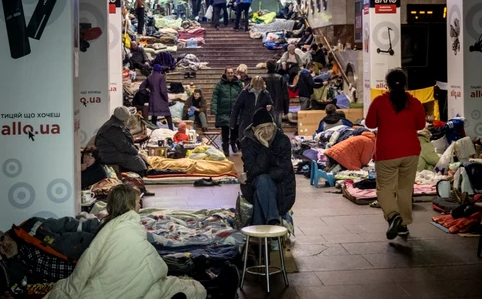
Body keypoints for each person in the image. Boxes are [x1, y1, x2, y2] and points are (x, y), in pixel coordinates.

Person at [45, 185, 206, 299]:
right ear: (129, 205)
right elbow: (151, 265)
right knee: (191, 290)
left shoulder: (111, 225)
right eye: (137, 202)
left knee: (175, 286)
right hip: (112, 287)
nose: (139, 205)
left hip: (110, 281)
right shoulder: (125, 228)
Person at [365, 69, 426, 239]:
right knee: (405, 189)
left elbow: (370, 123)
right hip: (411, 151)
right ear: (405, 84)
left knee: (384, 188)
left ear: (387, 84)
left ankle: (393, 216)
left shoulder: (379, 101)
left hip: (387, 152)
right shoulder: (415, 103)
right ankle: (404, 225)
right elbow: (420, 126)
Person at [240, 108, 296, 226]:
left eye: (269, 126)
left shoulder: (283, 140)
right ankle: (273, 226)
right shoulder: (247, 143)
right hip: (255, 186)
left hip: (283, 189)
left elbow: (282, 172)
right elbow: (251, 168)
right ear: (254, 130)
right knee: (263, 182)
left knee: (263, 184)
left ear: (274, 125)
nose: (266, 131)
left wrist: (253, 174)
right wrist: (265, 148)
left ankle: (260, 233)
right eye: (261, 128)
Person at [95, 107, 153, 197]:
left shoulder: (114, 125)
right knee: (136, 161)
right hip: (109, 155)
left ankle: (138, 189)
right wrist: (135, 151)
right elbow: (124, 145)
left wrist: (135, 150)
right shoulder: (113, 128)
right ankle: (138, 190)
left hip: (112, 152)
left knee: (139, 159)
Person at [231, 75, 274, 143]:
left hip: (260, 123)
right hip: (246, 121)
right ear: (252, 84)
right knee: (245, 142)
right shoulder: (244, 93)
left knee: (259, 143)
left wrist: (270, 108)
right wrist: (233, 123)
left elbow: (271, 105)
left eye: (259, 86)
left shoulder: (265, 93)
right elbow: (236, 107)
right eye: (256, 86)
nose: (257, 88)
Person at [211, 68, 243, 156]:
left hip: (235, 112)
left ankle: (233, 142)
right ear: (225, 73)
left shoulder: (238, 84)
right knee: (225, 131)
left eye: (232, 73)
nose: (230, 74)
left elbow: (242, 97)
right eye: (228, 73)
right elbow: (215, 97)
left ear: (234, 73)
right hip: (223, 112)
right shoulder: (220, 85)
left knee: (234, 130)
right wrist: (214, 108)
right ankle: (225, 149)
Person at [140, 64, 173, 129]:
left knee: (154, 116)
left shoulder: (149, 77)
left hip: (152, 99)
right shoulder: (161, 77)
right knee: (168, 115)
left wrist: (148, 94)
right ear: (160, 70)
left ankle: (154, 130)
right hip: (161, 99)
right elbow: (163, 90)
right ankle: (171, 130)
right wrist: (166, 99)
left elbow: (141, 87)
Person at [262, 59, 289, 128]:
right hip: (278, 105)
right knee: (277, 127)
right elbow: (285, 94)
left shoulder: (262, 78)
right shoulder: (280, 78)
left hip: (265, 106)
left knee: (267, 128)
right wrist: (286, 109)